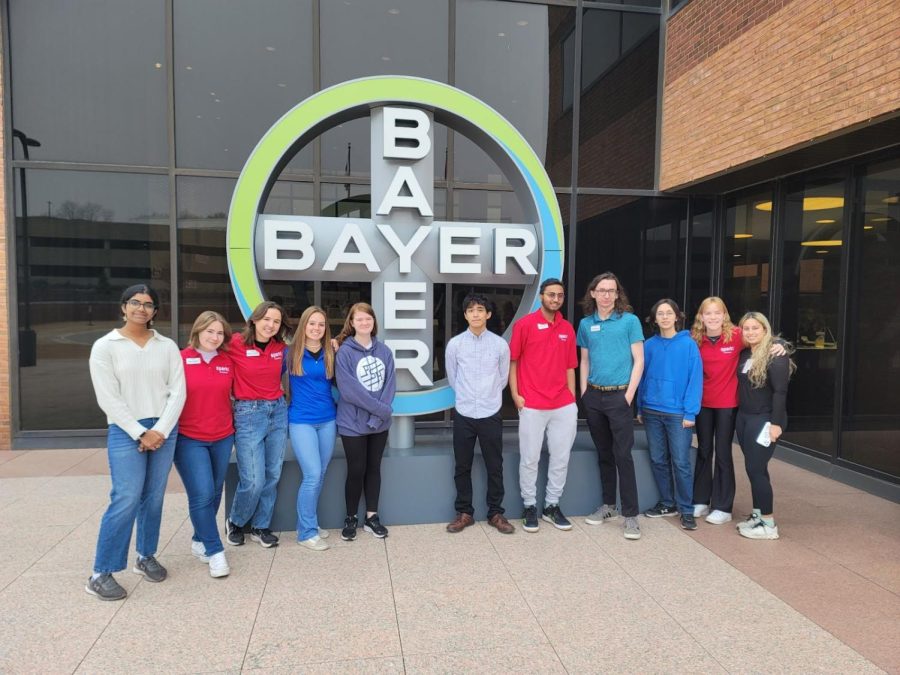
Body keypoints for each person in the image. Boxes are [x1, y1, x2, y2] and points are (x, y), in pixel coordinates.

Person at [86, 284, 186, 600]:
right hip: (125, 429)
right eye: (135, 302)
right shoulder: (106, 346)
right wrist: (139, 432)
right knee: (126, 497)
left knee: (153, 497)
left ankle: (145, 556)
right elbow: (108, 397)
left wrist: (160, 430)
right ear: (123, 307)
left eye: (148, 304)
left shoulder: (167, 346)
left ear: (155, 311)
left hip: (163, 429)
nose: (141, 308)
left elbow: (178, 391)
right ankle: (101, 573)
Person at [691, 297, 785, 525]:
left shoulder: (736, 335)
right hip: (703, 403)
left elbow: (760, 336)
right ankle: (701, 500)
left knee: (723, 452)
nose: (712, 317)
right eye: (708, 313)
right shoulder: (694, 338)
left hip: (728, 404)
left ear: (724, 315)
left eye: (717, 313)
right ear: (701, 317)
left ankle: (722, 506)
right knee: (704, 450)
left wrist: (779, 343)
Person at [578, 272, 644, 540]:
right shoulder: (585, 324)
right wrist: (584, 392)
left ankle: (631, 516)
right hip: (594, 398)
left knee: (623, 456)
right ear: (592, 293)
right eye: (601, 290)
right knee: (604, 454)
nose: (606, 295)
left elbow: (639, 360)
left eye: (611, 290)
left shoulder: (629, 321)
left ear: (618, 295)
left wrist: (628, 396)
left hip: (619, 398)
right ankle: (608, 506)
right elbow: (584, 360)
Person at [509, 278, 578, 533]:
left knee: (561, 457)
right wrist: (516, 395)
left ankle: (551, 506)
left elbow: (571, 365)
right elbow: (513, 362)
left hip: (563, 404)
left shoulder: (567, 328)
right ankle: (529, 506)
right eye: (551, 295)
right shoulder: (524, 325)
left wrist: (571, 397)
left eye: (560, 295)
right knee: (530, 458)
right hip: (532, 403)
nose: (556, 299)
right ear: (541, 296)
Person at [445, 293, 514, 535]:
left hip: (490, 411)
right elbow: (453, 378)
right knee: (462, 466)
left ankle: (496, 512)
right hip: (464, 411)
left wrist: (487, 396)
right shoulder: (455, 344)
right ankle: (464, 513)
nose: (475, 313)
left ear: (488, 314)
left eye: (480, 309)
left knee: (494, 465)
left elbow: (503, 379)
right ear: (465, 315)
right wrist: (468, 396)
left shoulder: (499, 345)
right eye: (471, 310)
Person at [173, 311, 234, 578]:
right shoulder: (180, 359)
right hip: (190, 438)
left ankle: (199, 539)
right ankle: (215, 551)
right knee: (201, 493)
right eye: (210, 331)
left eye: (220, 333)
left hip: (222, 436)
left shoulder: (227, 361)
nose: (215, 337)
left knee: (215, 492)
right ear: (197, 331)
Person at [225, 301, 289, 548]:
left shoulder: (279, 347)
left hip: (277, 411)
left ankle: (261, 526)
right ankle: (237, 521)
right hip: (248, 413)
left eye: (276, 321)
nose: (271, 325)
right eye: (266, 319)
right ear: (254, 319)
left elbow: (282, 371)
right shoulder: (235, 344)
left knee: (273, 474)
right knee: (253, 479)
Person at [636, 299, 703, 531]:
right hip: (651, 410)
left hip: (678, 415)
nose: (664, 317)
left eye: (669, 313)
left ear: (677, 317)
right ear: (655, 319)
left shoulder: (688, 345)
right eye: (660, 314)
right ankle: (667, 503)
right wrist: (639, 407)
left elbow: (695, 379)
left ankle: (686, 509)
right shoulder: (649, 345)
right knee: (658, 460)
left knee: (681, 462)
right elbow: (641, 376)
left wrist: (690, 412)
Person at [334, 303, 396, 541]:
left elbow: (390, 385)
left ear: (373, 322)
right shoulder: (345, 352)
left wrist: (378, 416)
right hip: (352, 423)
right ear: (351, 323)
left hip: (379, 425)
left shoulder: (384, 351)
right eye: (359, 319)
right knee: (356, 470)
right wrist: (381, 410)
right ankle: (350, 518)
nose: (364, 323)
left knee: (373, 469)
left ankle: (372, 517)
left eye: (367, 319)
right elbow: (349, 391)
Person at [735, 312, 794, 540]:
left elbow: (780, 392)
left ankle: (768, 525)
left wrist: (776, 424)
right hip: (745, 418)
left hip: (766, 419)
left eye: (755, 328)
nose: (750, 332)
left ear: (765, 329)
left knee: (756, 469)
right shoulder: (744, 353)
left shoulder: (776, 355)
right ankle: (758, 515)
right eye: (746, 328)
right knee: (754, 468)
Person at [285, 306, 337, 551]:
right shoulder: (290, 353)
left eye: (321, 324)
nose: (316, 328)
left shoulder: (331, 352)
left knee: (321, 473)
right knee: (312, 475)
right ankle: (306, 532)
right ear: (303, 325)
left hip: (328, 419)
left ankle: (310, 524)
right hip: (301, 420)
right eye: (312, 323)